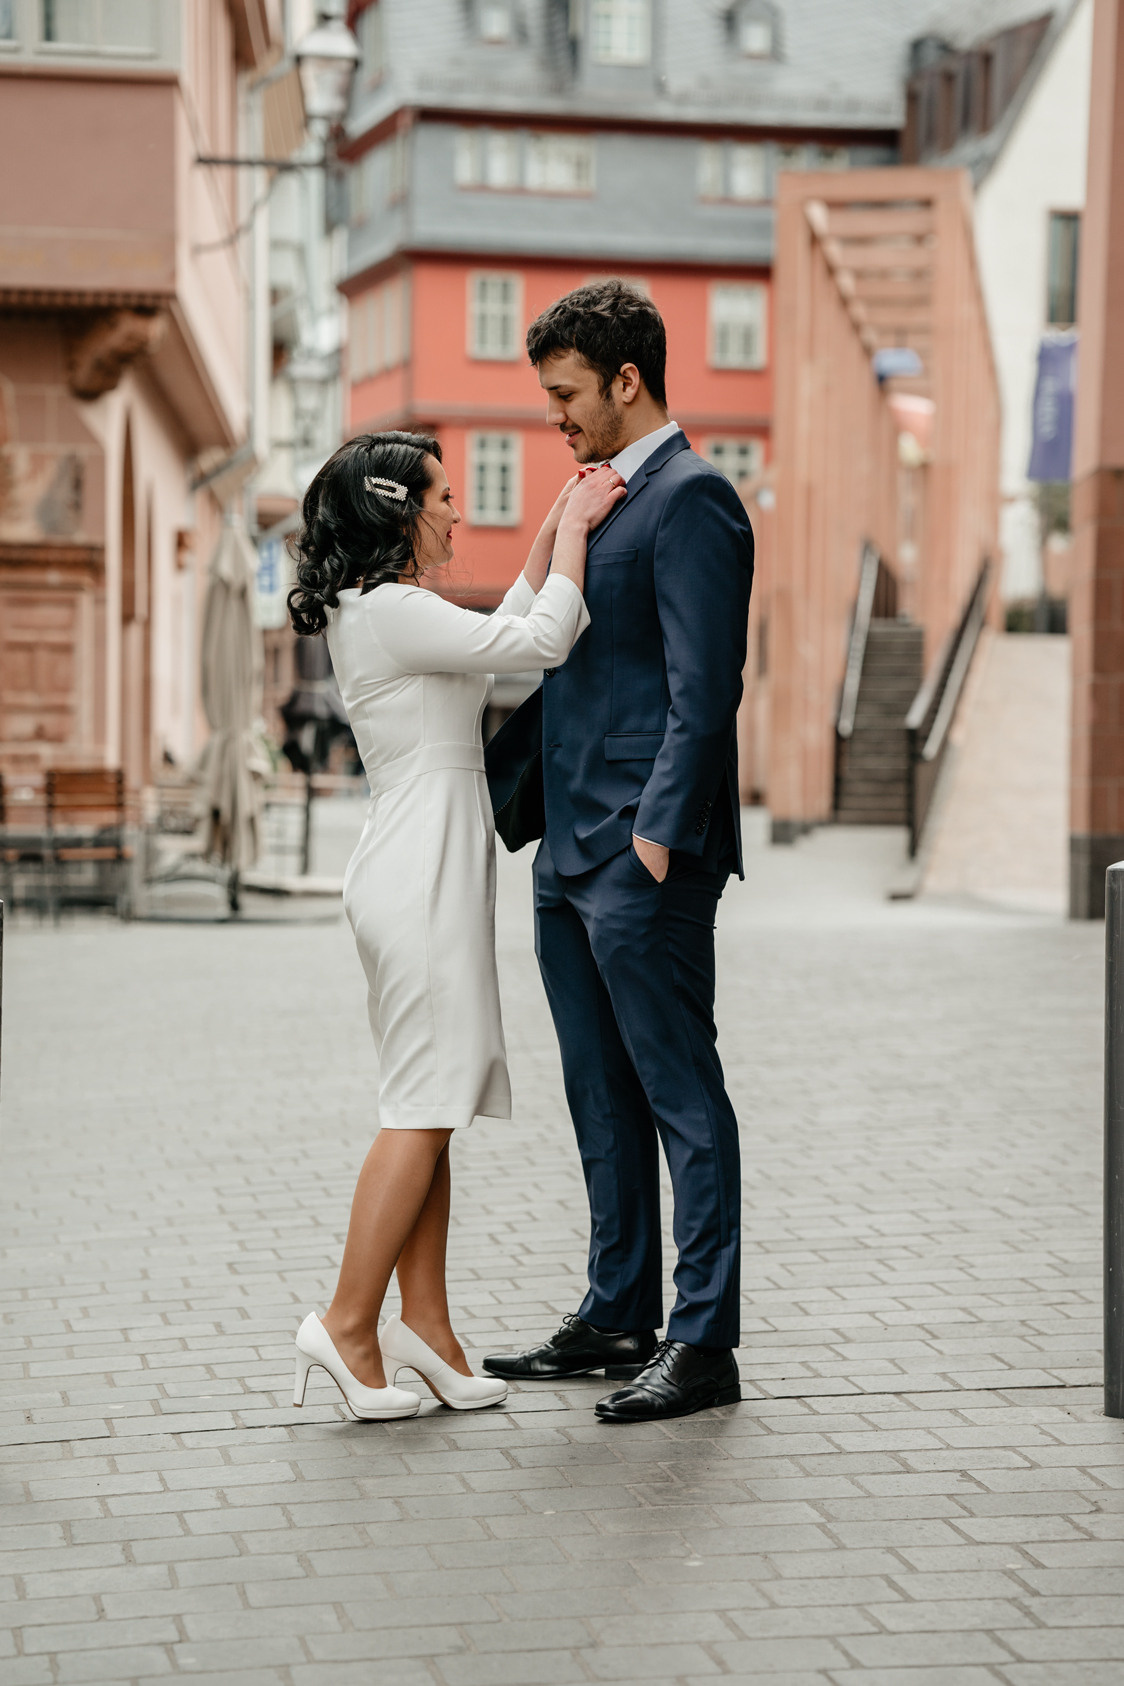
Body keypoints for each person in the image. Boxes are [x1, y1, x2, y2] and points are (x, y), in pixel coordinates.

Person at [287, 430, 624, 1421]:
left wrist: (550, 530)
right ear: (396, 511)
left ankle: (425, 1329)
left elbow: (504, 629)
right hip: (418, 872)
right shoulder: (391, 611)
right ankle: (348, 1324)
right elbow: (542, 643)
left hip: (422, 864)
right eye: (441, 495)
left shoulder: (389, 611)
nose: (455, 510)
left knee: (428, 1099)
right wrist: (575, 534)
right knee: (420, 1108)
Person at [483, 281, 754, 1423]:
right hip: (564, 850)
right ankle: (616, 1314)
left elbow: (705, 690)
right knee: (597, 1093)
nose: (553, 416)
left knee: (680, 1095)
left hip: (643, 855)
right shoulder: (589, 497)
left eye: (566, 395)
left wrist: (653, 839)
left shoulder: (694, 499)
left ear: (626, 381)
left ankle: (701, 1341)